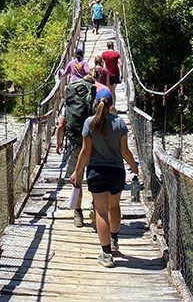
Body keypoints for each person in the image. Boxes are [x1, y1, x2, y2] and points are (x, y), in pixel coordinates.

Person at [70, 89, 139, 268]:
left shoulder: (89, 123)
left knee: (101, 211)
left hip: (96, 172)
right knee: (114, 206)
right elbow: (125, 151)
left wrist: (76, 172)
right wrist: (135, 168)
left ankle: (106, 255)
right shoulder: (120, 122)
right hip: (116, 172)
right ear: (111, 105)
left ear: (95, 103)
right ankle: (115, 241)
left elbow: (85, 152)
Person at [55, 74, 96, 227]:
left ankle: (78, 213)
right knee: (94, 178)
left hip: (74, 145)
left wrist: (59, 144)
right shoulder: (94, 98)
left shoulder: (70, 100)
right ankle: (95, 208)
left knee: (76, 179)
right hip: (92, 144)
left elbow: (60, 125)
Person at [101, 41, 122, 107]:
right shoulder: (116, 54)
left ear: (107, 46)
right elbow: (121, 64)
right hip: (115, 74)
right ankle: (114, 106)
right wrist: (122, 74)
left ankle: (109, 106)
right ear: (113, 46)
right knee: (113, 91)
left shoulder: (104, 54)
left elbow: (102, 64)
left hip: (107, 74)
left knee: (109, 90)